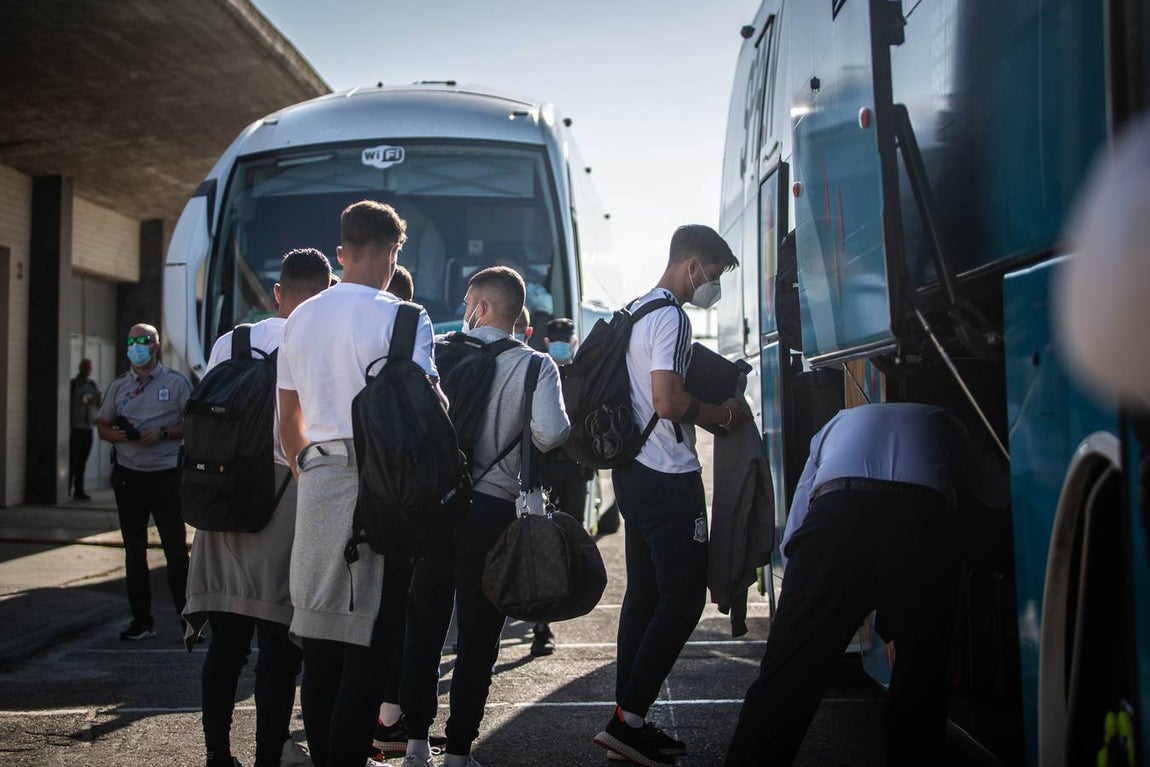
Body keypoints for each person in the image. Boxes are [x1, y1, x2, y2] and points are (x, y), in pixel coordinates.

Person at [724, 403, 1009, 767]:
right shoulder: (954, 422)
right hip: (919, 523)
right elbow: (999, 493)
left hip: (836, 515)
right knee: (919, 681)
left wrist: (806, 602)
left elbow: (797, 524)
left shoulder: (835, 422)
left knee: (786, 676)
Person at [278, 201, 438, 767]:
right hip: (384, 494)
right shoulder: (405, 318)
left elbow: (287, 424)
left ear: (342, 249)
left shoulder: (299, 318)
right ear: (394, 252)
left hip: (317, 484)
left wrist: (314, 473)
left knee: (320, 654)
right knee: (369, 660)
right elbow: (430, 413)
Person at [592, 224, 747, 766]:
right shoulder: (671, 318)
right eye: (716, 275)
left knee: (647, 594)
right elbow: (666, 399)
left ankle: (626, 721)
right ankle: (629, 717)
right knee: (683, 600)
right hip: (666, 473)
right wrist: (722, 416)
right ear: (692, 267)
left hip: (633, 473)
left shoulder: (636, 309)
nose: (715, 287)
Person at [404, 266, 569, 767]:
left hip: (435, 507)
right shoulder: (537, 365)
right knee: (479, 634)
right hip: (493, 509)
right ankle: (457, 751)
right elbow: (549, 434)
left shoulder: (440, 352)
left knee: (424, 624)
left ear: (478, 305)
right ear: (517, 311)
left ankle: (414, 746)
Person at [183, 248, 332, 767]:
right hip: (286, 501)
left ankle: (217, 753)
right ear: (327, 293)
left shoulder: (233, 341)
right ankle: (270, 753)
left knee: (226, 644)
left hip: (222, 500)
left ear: (277, 293)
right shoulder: (319, 343)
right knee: (279, 648)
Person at [96, 324, 193, 641]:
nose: (137, 346)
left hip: (165, 475)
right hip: (128, 475)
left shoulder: (175, 383)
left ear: (155, 346)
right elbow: (102, 423)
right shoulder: (120, 385)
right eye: (131, 341)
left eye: (143, 341)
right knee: (133, 551)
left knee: (176, 551)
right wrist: (114, 434)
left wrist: (163, 433)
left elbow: (191, 423)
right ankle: (142, 622)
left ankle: (188, 623)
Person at [531, 316, 587, 657]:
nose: (562, 345)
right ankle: (542, 624)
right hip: (545, 468)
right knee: (542, 540)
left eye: (567, 339)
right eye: (557, 340)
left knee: (571, 533)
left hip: (575, 471)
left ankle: (561, 593)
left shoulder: (583, 374)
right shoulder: (539, 371)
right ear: (547, 342)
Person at [69, 358, 102, 500]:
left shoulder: (92, 385)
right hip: (75, 427)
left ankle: (79, 489)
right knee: (72, 460)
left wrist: (95, 401)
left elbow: (100, 403)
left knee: (82, 460)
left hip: (88, 427)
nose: (87, 371)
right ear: (80, 368)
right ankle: (66, 487)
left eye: (89, 368)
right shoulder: (73, 385)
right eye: (85, 368)